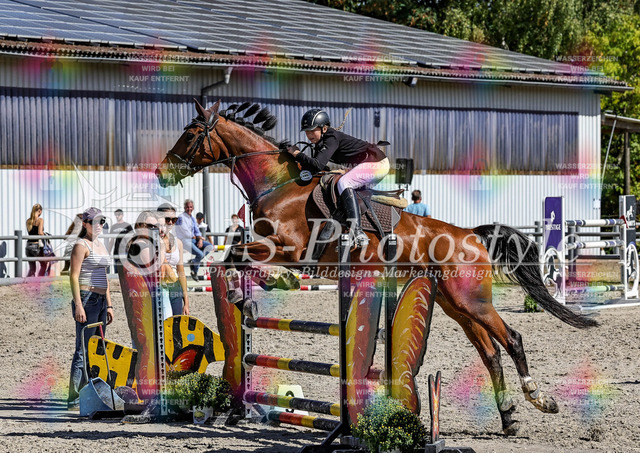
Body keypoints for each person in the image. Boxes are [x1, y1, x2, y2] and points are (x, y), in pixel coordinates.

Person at [287, 109, 390, 247]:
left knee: (344, 182)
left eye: (312, 130)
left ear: (324, 128)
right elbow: (315, 168)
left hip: (377, 163)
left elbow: (317, 164)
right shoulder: (322, 142)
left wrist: (297, 154)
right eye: (306, 131)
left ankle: (357, 231)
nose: (309, 134)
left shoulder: (331, 138)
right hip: (365, 164)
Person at [67, 207, 114, 410]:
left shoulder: (101, 245)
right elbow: (73, 276)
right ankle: (74, 397)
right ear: (85, 224)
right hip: (87, 299)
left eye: (102, 221)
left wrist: (109, 304)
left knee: (96, 348)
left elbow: (105, 277)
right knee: (82, 349)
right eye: (95, 222)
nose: (99, 225)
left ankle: (89, 391)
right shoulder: (81, 245)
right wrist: (78, 304)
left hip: (101, 300)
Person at [158, 204, 190, 317]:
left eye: (174, 220)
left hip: (175, 286)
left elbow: (181, 272)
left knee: (176, 321)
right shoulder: (154, 240)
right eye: (168, 219)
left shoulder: (178, 242)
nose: (171, 222)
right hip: (160, 286)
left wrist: (186, 301)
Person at [175, 199, 212, 280]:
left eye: (191, 207)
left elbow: (197, 230)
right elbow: (185, 231)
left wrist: (200, 239)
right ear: (184, 207)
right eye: (187, 207)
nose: (189, 208)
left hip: (193, 239)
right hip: (184, 240)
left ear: (193, 208)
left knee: (210, 247)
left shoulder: (192, 218)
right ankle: (195, 270)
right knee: (200, 254)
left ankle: (194, 261)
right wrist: (195, 236)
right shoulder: (180, 217)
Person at [25, 203, 49, 277]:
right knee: (43, 264)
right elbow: (40, 232)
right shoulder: (40, 220)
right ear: (39, 211)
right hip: (36, 246)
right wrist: (46, 236)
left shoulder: (28, 221)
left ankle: (27, 282)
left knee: (32, 269)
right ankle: (39, 281)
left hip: (28, 246)